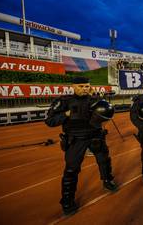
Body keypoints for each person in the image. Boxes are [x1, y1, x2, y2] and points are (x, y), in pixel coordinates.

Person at [45, 76, 118, 216]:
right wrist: (66, 114)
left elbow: (105, 114)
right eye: (81, 86)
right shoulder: (64, 102)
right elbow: (50, 121)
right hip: (75, 139)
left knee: (104, 160)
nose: (84, 89)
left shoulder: (94, 100)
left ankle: (108, 180)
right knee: (71, 170)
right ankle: (67, 200)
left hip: (95, 136)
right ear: (72, 86)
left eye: (86, 86)